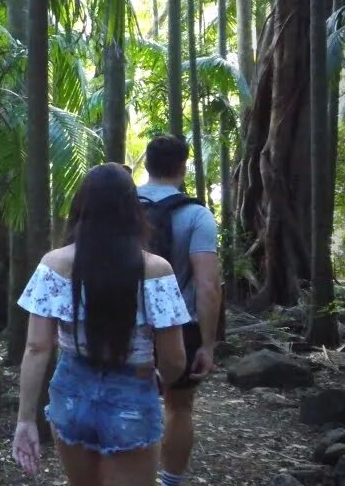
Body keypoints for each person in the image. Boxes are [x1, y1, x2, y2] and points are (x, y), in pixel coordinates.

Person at [12, 164, 190, 485]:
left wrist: (26, 420)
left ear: (81, 207)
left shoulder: (54, 265)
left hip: (71, 390)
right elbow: (175, 360)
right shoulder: (156, 271)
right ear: (133, 211)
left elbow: (37, 348)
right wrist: (160, 377)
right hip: (133, 393)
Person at [138, 135, 221, 486]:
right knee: (179, 407)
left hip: (123, 325)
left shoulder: (121, 206)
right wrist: (208, 342)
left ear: (146, 164)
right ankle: (170, 481)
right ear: (183, 167)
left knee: (126, 400)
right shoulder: (196, 215)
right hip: (180, 324)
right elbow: (207, 284)